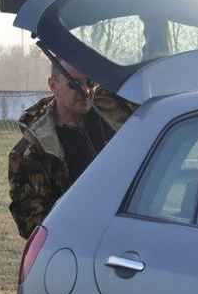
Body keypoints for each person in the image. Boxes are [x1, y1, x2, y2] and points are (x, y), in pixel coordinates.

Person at [8, 60, 134, 239]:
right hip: (78, 243)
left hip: (127, 232)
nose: (85, 91)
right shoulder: (34, 151)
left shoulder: (114, 117)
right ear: (53, 85)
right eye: (74, 84)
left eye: (90, 82)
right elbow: (33, 225)